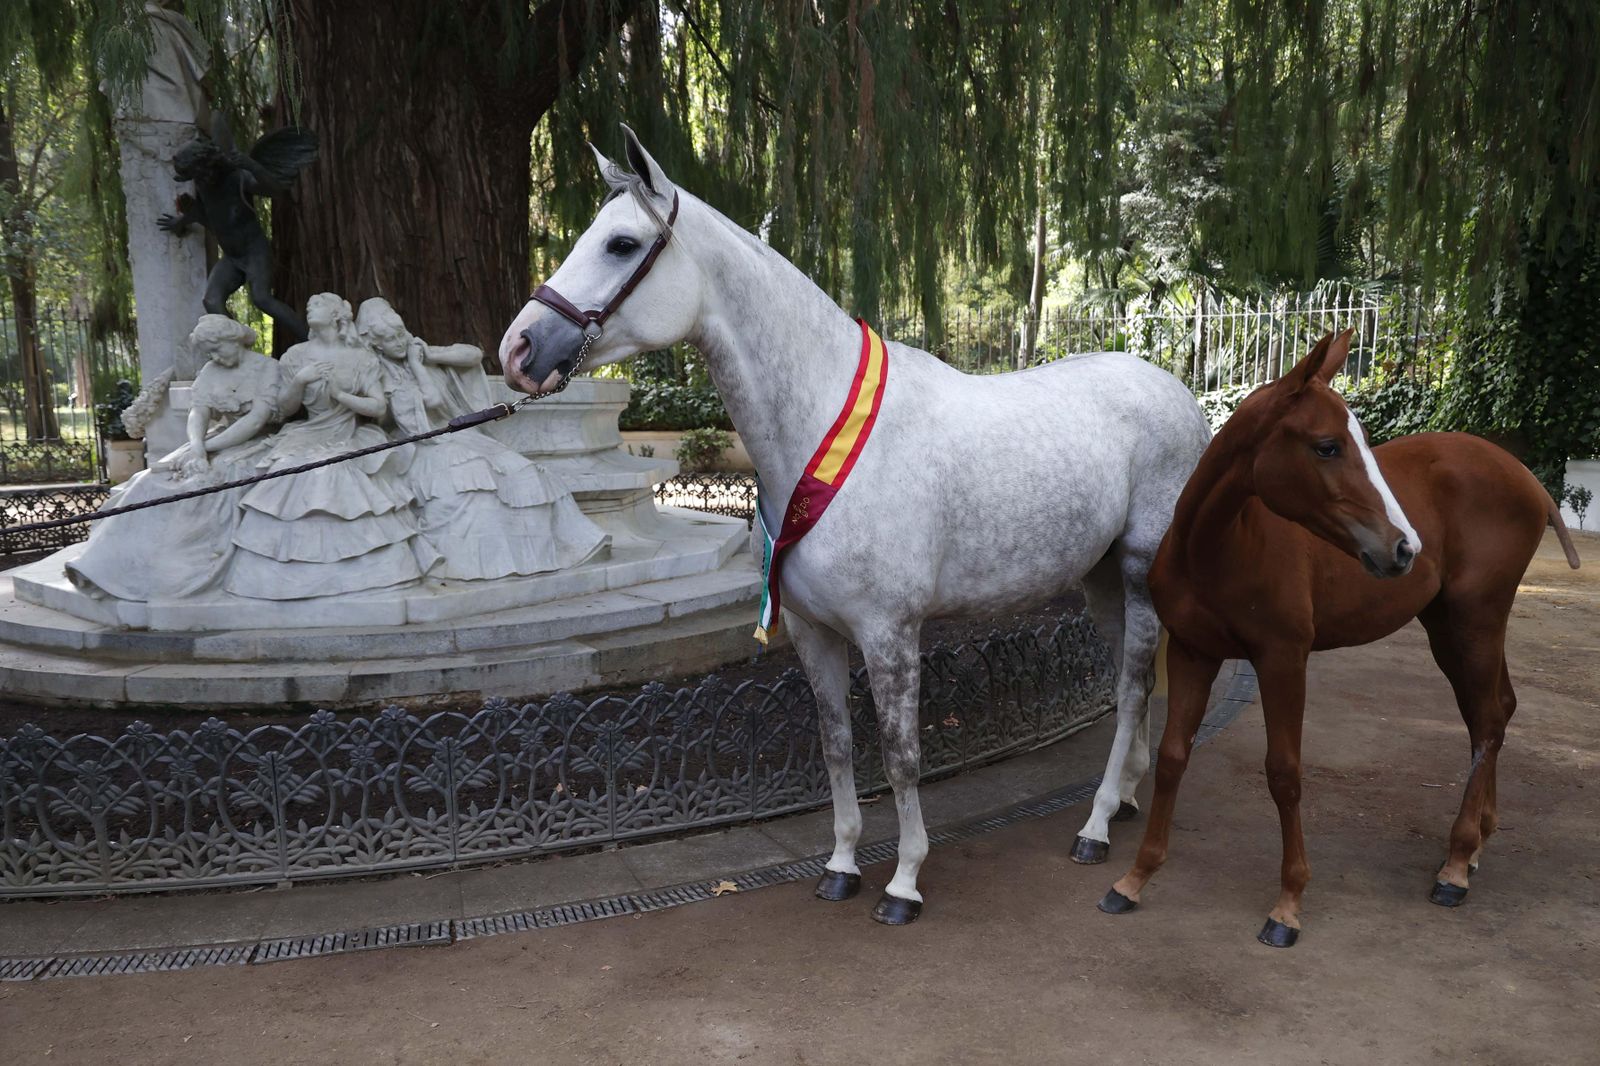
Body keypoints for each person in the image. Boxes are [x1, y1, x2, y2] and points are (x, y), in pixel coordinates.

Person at [356, 297, 607, 580]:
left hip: (459, 438)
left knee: (522, 470)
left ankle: (547, 554)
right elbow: (431, 401)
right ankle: (483, 564)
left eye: (401, 332)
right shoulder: (379, 375)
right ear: (377, 344)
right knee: (474, 481)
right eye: (391, 339)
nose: (400, 341)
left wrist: (431, 354)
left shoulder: (421, 355)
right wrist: (416, 364)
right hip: (420, 446)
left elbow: (473, 355)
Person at [225, 293, 437, 600]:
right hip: (307, 433)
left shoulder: (362, 357)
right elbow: (284, 409)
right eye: (309, 305)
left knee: (333, 472)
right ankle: (285, 578)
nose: (309, 307)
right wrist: (299, 381)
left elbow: (378, 407)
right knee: (289, 472)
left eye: (318, 304)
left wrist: (341, 396)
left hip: (347, 435)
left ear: (337, 315)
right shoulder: (296, 355)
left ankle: (358, 574)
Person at [65, 315, 280, 599]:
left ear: (234, 340)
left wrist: (206, 449)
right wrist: (197, 445)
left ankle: (170, 569)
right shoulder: (211, 370)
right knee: (151, 480)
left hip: (255, 442)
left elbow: (255, 422)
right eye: (210, 353)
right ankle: (113, 564)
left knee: (209, 481)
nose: (214, 357)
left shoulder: (267, 368)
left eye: (217, 349)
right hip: (212, 440)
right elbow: (198, 412)